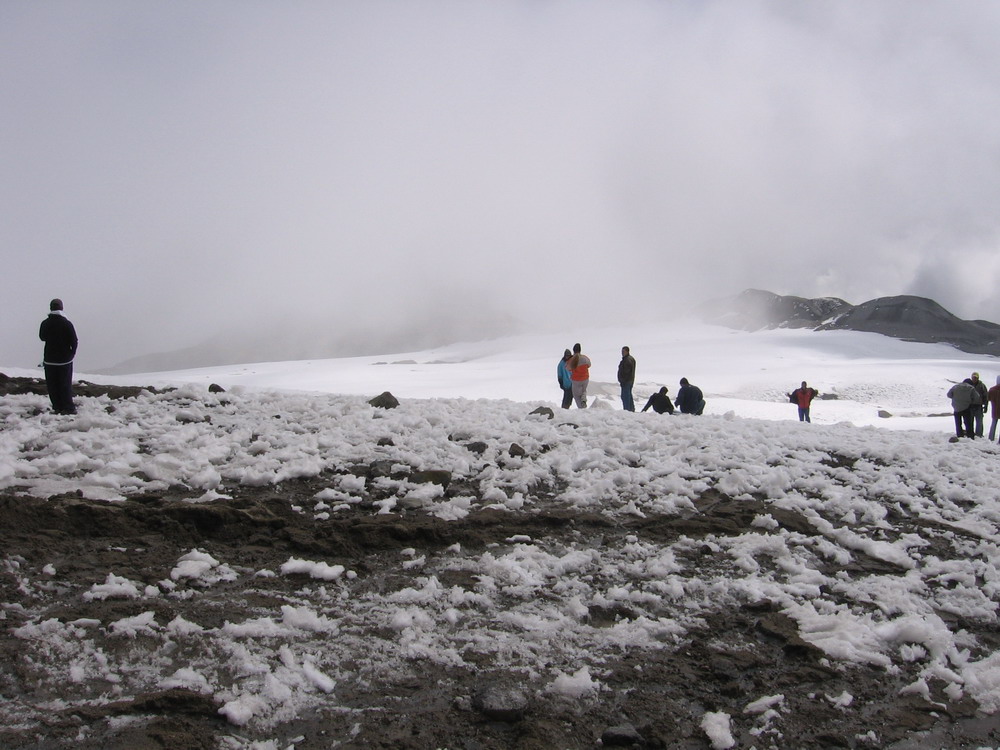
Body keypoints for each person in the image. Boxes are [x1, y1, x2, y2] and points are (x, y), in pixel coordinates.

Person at [38, 298, 78, 415]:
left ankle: (57, 407)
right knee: (65, 384)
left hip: (49, 359)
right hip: (65, 360)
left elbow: (42, 337)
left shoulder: (45, 323)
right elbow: (74, 340)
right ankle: (68, 408)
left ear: (51, 308)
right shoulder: (67, 323)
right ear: (61, 308)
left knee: (52, 385)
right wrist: (72, 354)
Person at [566, 343, 591, 409]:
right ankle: (584, 401)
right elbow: (589, 365)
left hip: (576, 380)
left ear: (573, 350)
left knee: (576, 395)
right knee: (584, 391)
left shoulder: (571, 360)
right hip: (585, 378)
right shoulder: (585, 358)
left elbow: (568, 368)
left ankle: (581, 408)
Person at [618, 346, 636, 412]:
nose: (622, 353)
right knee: (628, 395)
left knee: (625, 396)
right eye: (622, 352)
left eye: (623, 351)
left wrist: (622, 380)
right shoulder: (629, 359)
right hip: (629, 380)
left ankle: (627, 410)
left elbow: (626, 372)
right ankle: (631, 409)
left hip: (626, 381)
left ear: (627, 351)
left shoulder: (627, 360)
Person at [971, 372, 989, 437]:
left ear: (978, 378)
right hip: (970, 406)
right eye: (973, 377)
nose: (974, 379)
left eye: (975, 377)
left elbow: (986, 396)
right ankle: (971, 434)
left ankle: (979, 435)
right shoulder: (969, 385)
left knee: (979, 421)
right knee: (970, 421)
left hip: (979, 406)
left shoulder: (982, 385)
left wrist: (986, 406)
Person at [989, 376, 1000, 442]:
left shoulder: (992, 389)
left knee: (993, 423)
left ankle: (991, 438)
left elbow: (989, 398)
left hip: (995, 409)